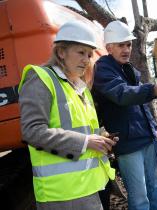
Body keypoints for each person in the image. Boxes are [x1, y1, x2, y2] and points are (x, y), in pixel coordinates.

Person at [18, 20, 118, 210]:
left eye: (89, 55)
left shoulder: (80, 88)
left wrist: (102, 138)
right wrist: (86, 141)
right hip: (62, 195)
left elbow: (83, 129)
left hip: (89, 185)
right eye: (81, 52)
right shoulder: (41, 79)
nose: (86, 60)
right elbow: (32, 132)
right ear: (61, 52)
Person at [92, 20, 157, 210]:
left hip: (147, 138)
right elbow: (122, 94)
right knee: (139, 198)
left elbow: (140, 106)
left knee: (154, 188)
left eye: (128, 44)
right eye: (121, 45)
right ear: (109, 47)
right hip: (129, 145)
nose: (126, 49)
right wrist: (153, 89)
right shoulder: (103, 69)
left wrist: (153, 130)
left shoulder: (129, 69)